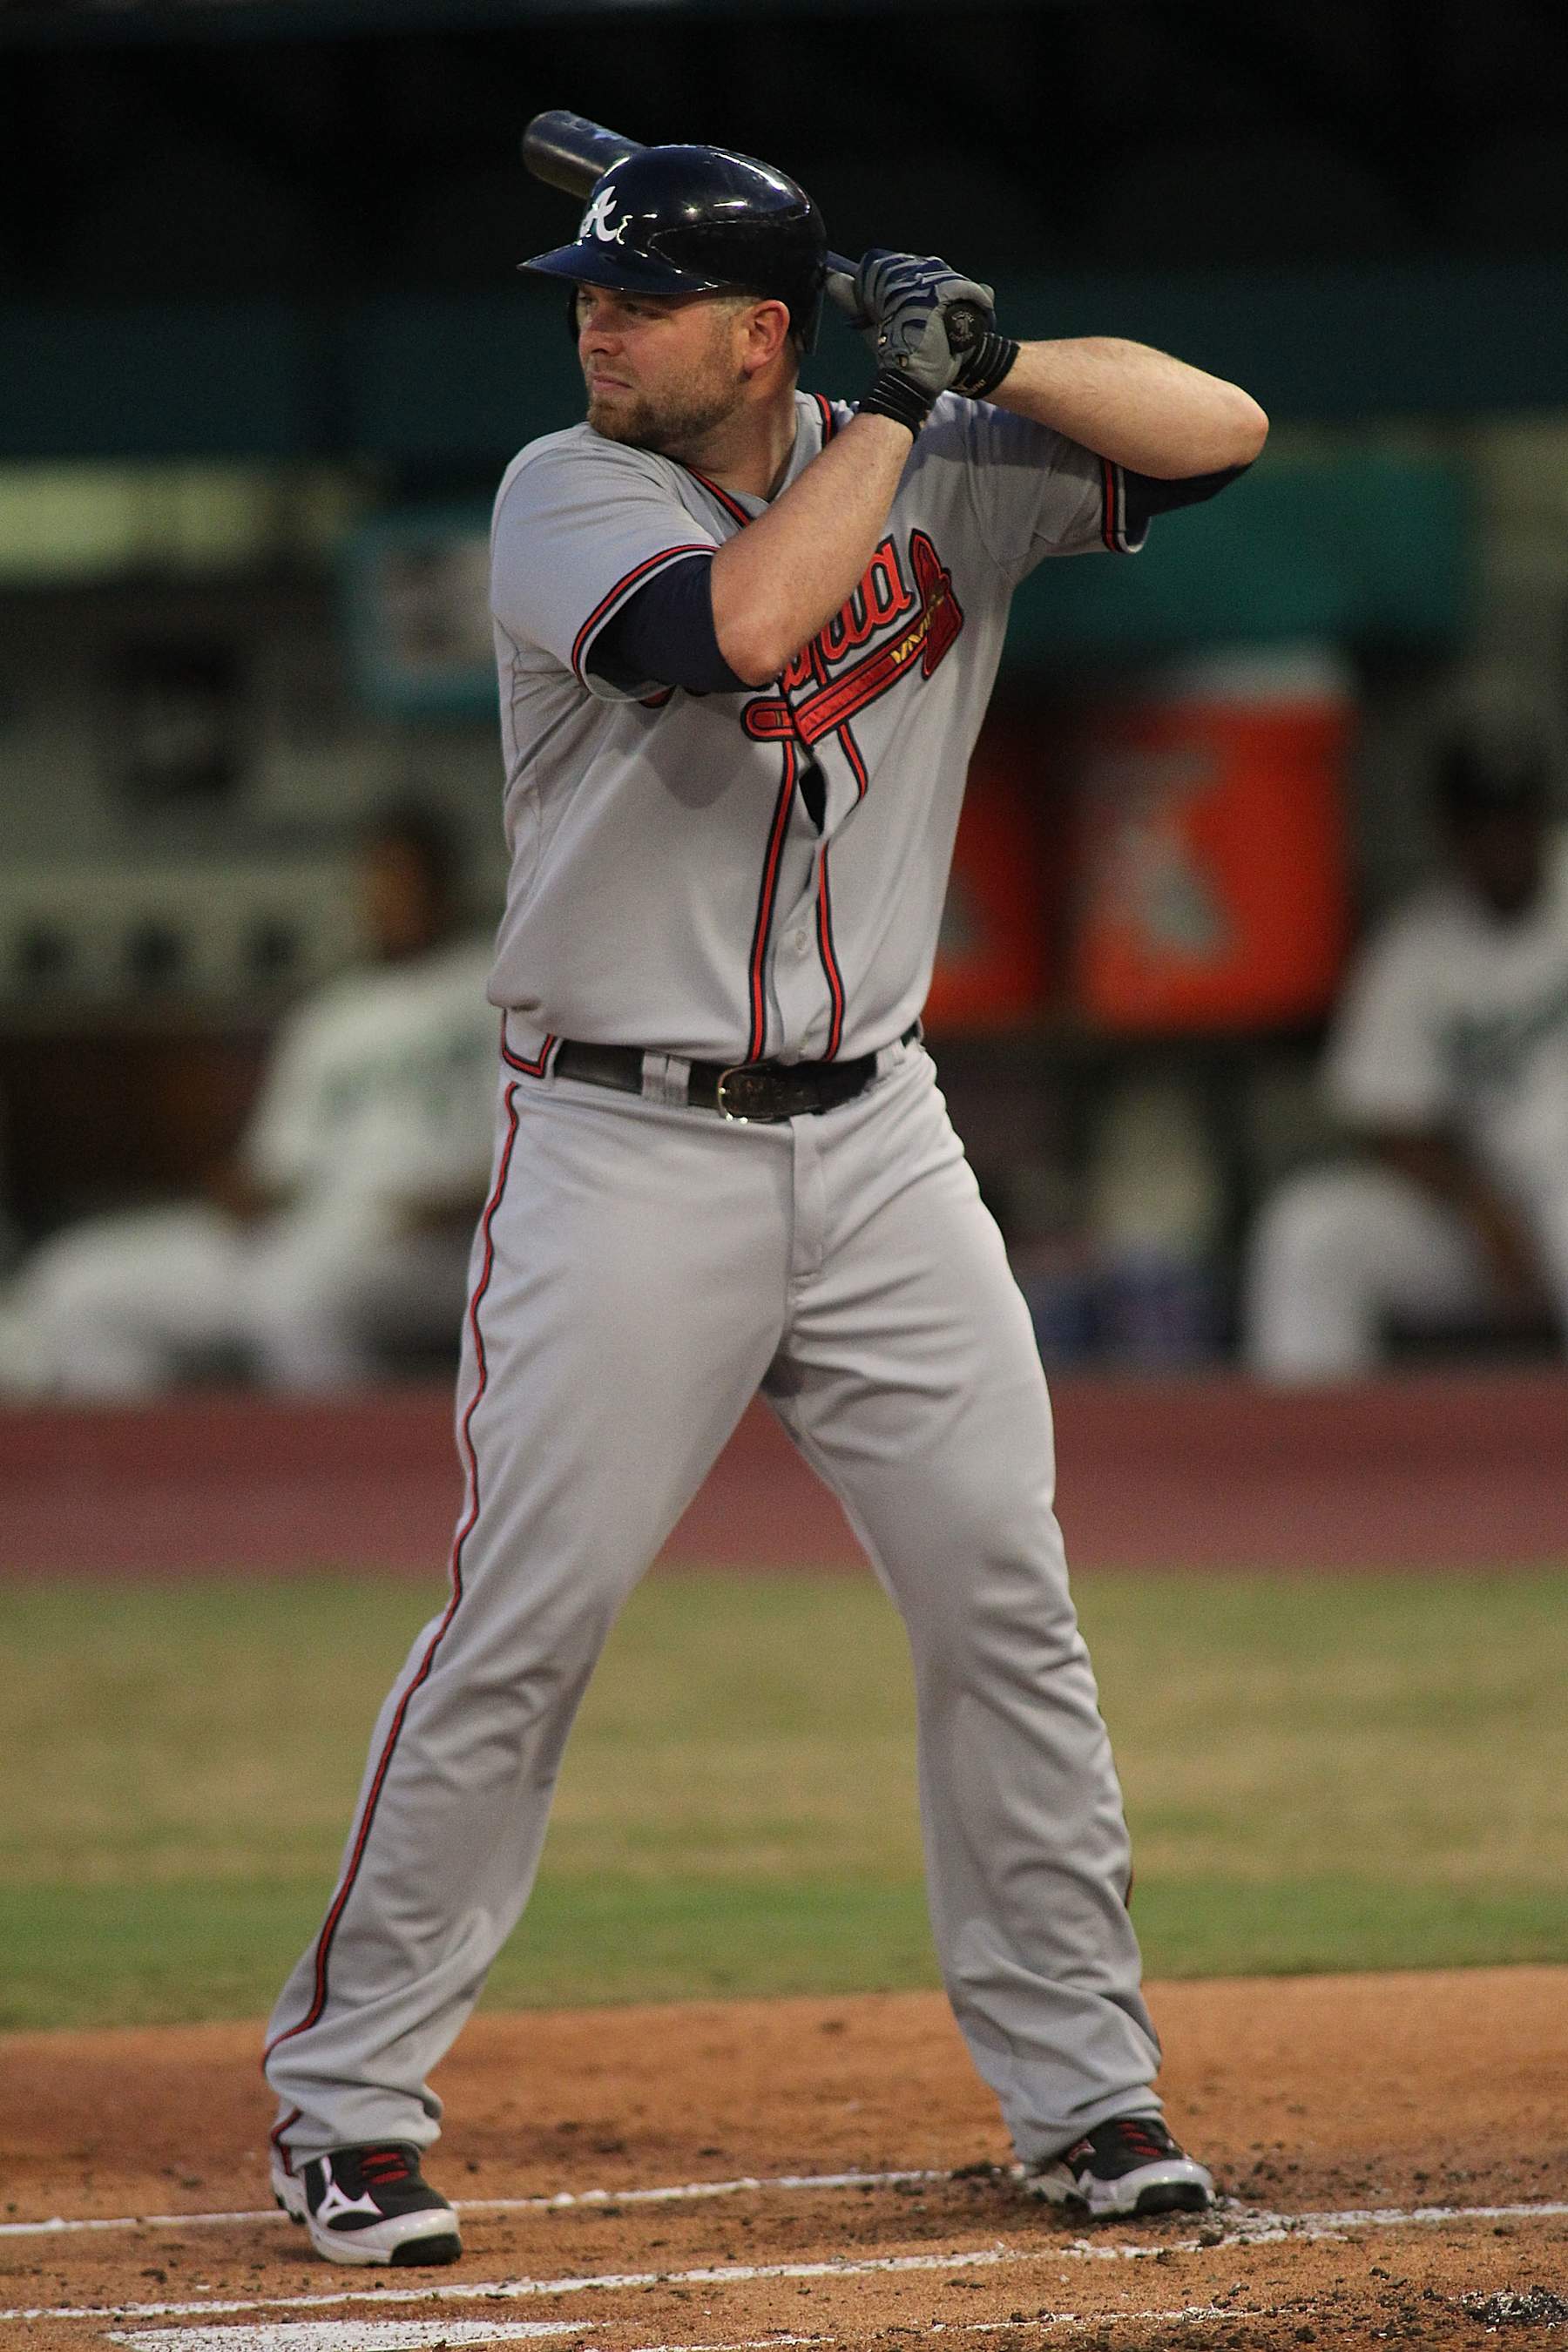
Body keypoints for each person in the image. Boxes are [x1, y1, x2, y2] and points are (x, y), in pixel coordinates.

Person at [263, 143, 1267, 2268]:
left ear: (756, 329)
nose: (588, 327)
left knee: (1005, 1601)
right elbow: (738, 626)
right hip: (622, 1145)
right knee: (523, 1628)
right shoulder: (567, 491)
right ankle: (344, 2101)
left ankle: (1085, 2091)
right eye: (587, 298)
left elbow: (1224, 432)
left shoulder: (952, 443)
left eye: (630, 299)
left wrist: (987, 348)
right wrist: (904, 413)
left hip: (883, 1135)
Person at [0, 804, 496, 1396]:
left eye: (399, 879)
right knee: (76, 1281)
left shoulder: (493, 986)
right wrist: (243, 1191)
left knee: (293, 1300)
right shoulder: (331, 1014)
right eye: (372, 880)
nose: (382, 897)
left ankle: (356, 1478)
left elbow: (536, 1136)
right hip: (307, 1231)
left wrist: (469, 1197)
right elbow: (278, 1168)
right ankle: (168, 1477)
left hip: (434, 1238)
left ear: (443, 886)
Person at [1246, 731, 1568, 1378]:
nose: (1503, 838)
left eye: (1515, 816)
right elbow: (1389, 1121)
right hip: (1484, 1213)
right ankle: (1313, 1463)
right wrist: (1482, 1207)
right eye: (1483, 821)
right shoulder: (1415, 948)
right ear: (1449, 832)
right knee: (1310, 1233)